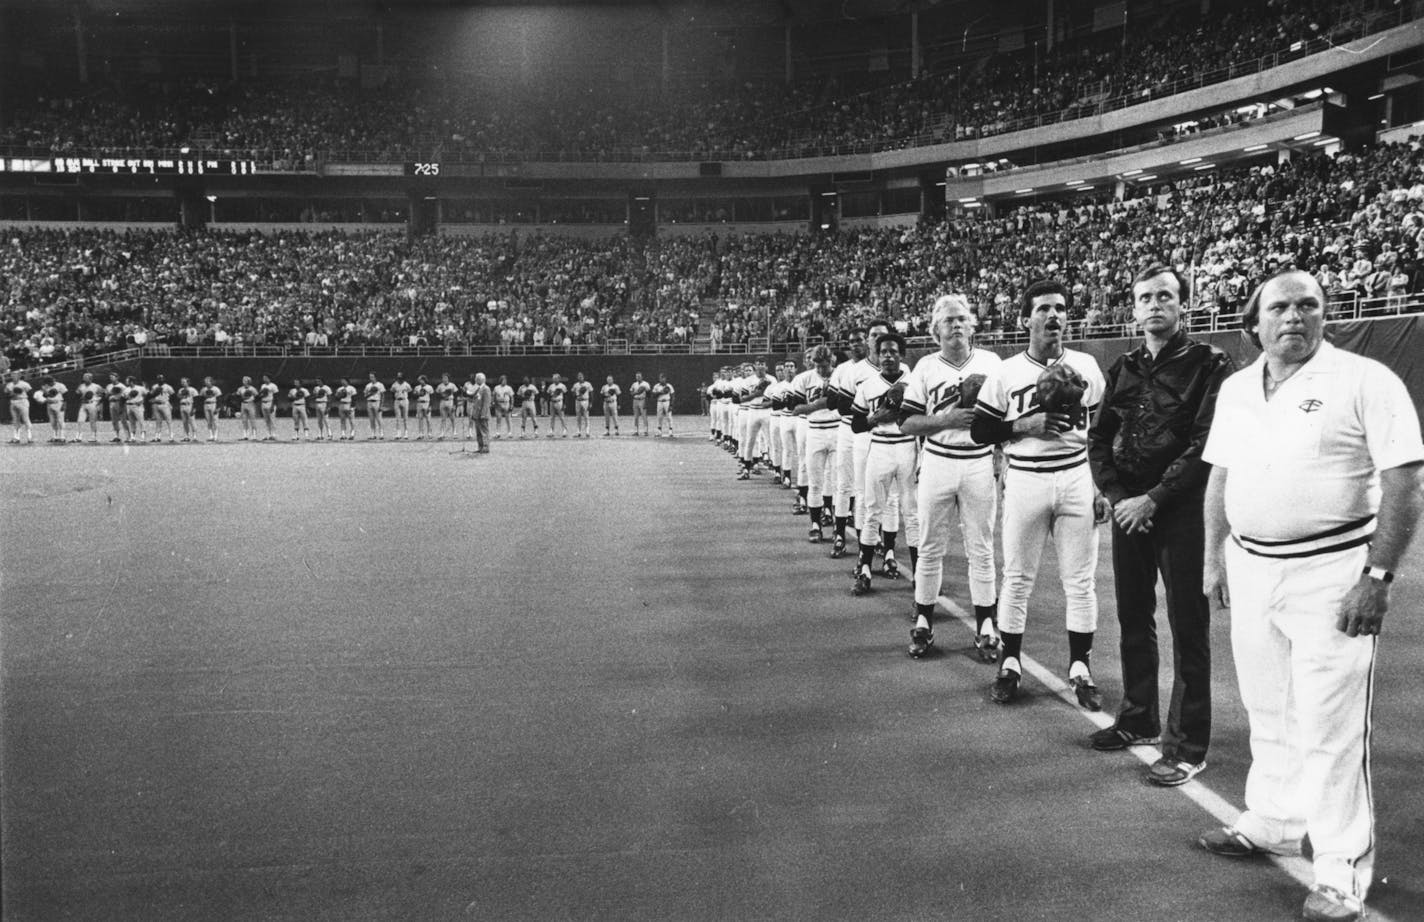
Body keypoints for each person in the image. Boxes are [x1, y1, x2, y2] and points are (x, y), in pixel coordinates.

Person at [1196, 270, 1424, 922]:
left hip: (1332, 572)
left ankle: (1340, 872)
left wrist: (1377, 579)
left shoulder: (1364, 380)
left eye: (1308, 305)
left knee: (1330, 726)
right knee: (1267, 707)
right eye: (1280, 307)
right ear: (1254, 322)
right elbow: (1222, 477)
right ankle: (1272, 818)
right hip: (1253, 567)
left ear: (1326, 315)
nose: (1294, 316)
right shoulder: (1239, 388)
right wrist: (1214, 557)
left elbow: (1404, 481)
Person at [1088, 266, 1235, 785]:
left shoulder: (1210, 363)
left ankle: (1188, 745)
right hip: (1130, 511)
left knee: (1188, 627)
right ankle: (1138, 718)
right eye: (1145, 297)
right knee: (1133, 615)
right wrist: (1117, 496)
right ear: (1133, 308)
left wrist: (1153, 498)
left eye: (1165, 297)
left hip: (1183, 514)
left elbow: (1206, 444)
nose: (1155, 305)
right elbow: (1099, 439)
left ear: (1183, 305)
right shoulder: (1123, 366)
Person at [971, 279, 1109, 709]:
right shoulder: (1006, 372)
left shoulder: (1087, 365)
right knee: (1016, 578)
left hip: (1075, 476)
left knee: (1080, 582)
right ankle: (1010, 663)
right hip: (1027, 475)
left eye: (1061, 308)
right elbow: (980, 431)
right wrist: (1021, 426)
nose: (1054, 316)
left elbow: (1102, 429)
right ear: (1025, 318)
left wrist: (1102, 485)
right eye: (1044, 309)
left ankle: (1080, 667)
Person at [900, 294, 1004, 660]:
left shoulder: (992, 363)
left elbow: (1005, 418)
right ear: (935, 331)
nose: (956, 325)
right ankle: (924, 620)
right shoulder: (927, 367)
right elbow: (907, 422)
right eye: (948, 321)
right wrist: (946, 419)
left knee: (982, 547)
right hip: (938, 460)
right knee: (930, 545)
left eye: (962, 319)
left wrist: (1001, 456)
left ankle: (987, 624)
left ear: (972, 325)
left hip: (978, 461)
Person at [850, 332, 919, 597]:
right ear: (876, 356)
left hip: (908, 447)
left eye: (893, 351)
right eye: (883, 352)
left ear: (901, 354)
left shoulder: (914, 383)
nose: (888, 356)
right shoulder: (867, 385)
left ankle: (919, 573)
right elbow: (857, 425)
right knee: (872, 510)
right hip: (879, 447)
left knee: (912, 512)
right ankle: (865, 567)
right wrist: (875, 418)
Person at [829, 321, 893, 558]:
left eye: (882, 336)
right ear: (868, 339)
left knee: (882, 491)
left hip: (885, 434)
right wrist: (872, 412)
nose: (877, 339)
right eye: (873, 335)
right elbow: (839, 405)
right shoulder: (850, 370)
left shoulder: (899, 368)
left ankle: (876, 539)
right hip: (852, 430)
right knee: (849, 485)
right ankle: (840, 533)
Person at [791, 345, 840, 542]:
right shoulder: (805, 378)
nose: (820, 370)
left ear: (832, 361)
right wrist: (820, 403)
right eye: (817, 366)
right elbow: (796, 408)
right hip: (815, 430)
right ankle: (815, 524)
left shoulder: (841, 375)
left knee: (838, 480)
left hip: (837, 428)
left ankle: (838, 523)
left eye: (824, 365)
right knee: (815, 480)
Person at [75, 372, 104, 443]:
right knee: (80, 420)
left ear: (90, 378)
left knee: (92, 421)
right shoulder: (81, 386)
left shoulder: (96, 386)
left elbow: (102, 395)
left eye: (86, 377)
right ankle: (79, 437)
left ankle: (93, 437)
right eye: (84, 377)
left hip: (92, 404)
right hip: (83, 404)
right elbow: (77, 394)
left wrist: (98, 404)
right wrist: (78, 393)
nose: (84, 378)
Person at [470, 372, 493, 453]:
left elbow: (486, 403)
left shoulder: (486, 389)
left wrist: (483, 414)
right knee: (478, 432)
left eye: (477, 378)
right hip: (477, 414)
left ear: (481, 379)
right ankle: (480, 447)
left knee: (484, 431)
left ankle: (486, 447)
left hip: (482, 414)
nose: (475, 379)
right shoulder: (478, 388)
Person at [149, 375, 175, 443]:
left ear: (164, 379)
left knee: (169, 421)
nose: (160, 379)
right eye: (159, 378)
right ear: (157, 379)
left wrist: (171, 404)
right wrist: (155, 392)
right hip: (156, 404)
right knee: (158, 421)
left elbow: (173, 395)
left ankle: (171, 437)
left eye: (162, 378)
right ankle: (157, 437)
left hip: (165, 404)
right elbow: (151, 395)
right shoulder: (154, 386)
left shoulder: (168, 386)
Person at [106, 372, 129, 443]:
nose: (111, 378)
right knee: (114, 421)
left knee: (123, 420)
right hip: (112, 404)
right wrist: (109, 394)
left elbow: (126, 396)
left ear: (117, 377)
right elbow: (106, 396)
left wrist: (119, 399)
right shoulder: (109, 386)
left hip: (120, 403)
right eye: (110, 377)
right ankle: (116, 436)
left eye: (113, 377)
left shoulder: (122, 386)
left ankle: (128, 437)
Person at [123, 376, 147, 442]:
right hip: (129, 406)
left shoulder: (140, 388)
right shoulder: (126, 389)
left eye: (127, 380)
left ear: (131, 381)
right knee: (131, 422)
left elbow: (146, 395)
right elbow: (124, 398)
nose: (126, 382)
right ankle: (133, 437)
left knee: (141, 421)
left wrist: (142, 401)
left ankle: (143, 437)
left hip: (137, 406)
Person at [176, 378, 200, 442]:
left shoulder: (192, 389)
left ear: (188, 383)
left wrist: (194, 408)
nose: (182, 383)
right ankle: (186, 436)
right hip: (182, 405)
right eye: (182, 382)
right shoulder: (180, 390)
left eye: (184, 382)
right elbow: (178, 397)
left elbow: (196, 399)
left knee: (192, 421)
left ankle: (195, 436)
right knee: (184, 422)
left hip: (189, 405)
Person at [235, 376, 259, 440]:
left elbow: (257, 396)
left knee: (252, 419)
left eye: (245, 381)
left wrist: (253, 400)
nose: (244, 382)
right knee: (244, 420)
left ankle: (254, 435)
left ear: (249, 381)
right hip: (243, 404)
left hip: (250, 404)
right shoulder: (240, 389)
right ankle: (245, 435)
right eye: (243, 380)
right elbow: (237, 396)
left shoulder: (252, 389)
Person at [200, 376, 223, 442]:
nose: (206, 382)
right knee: (208, 420)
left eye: (208, 381)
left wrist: (218, 407)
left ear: (211, 382)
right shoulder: (203, 389)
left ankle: (216, 436)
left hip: (213, 404)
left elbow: (219, 399)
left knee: (215, 420)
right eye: (205, 381)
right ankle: (211, 435)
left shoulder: (216, 389)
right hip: (206, 404)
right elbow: (201, 398)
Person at [363, 372, 386, 440]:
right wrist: (371, 393)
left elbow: (382, 395)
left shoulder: (380, 385)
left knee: (379, 419)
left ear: (375, 377)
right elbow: (365, 395)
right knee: (371, 419)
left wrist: (381, 405)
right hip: (369, 402)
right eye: (370, 377)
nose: (371, 378)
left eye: (372, 377)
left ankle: (381, 434)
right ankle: (373, 434)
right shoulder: (368, 385)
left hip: (377, 402)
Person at [390, 372, 412, 440]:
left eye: (400, 377)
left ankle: (406, 432)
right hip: (397, 400)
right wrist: (395, 399)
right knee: (398, 418)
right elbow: (392, 391)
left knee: (405, 417)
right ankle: (398, 433)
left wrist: (407, 398)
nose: (399, 379)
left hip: (404, 400)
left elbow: (410, 391)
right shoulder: (395, 384)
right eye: (398, 377)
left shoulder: (406, 384)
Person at [437, 373, 459, 439]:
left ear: (448, 378)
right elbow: (437, 394)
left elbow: (456, 395)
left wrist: (455, 404)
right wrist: (441, 395)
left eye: (446, 378)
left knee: (452, 417)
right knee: (443, 418)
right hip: (443, 401)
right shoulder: (440, 386)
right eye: (443, 378)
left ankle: (454, 431)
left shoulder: (452, 385)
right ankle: (442, 433)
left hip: (450, 401)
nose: (444, 379)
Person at [653, 373, 675, 437]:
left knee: (669, 417)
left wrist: (671, 405)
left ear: (665, 379)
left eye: (663, 378)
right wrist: (660, 392)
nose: (662, 379)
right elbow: (653, 395)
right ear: (659, 379)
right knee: (659, 417)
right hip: (659, 402)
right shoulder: (656, 386)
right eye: (660, 378)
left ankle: (670, 431)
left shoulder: (669, 386)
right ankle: (659, 431)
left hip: (667, 402)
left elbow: (673, 396)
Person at [572, 372, 594, 438]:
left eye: (581, 376)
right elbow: (573, 394)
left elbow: (591, 394)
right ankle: (578, 431)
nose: (580, 377)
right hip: (578, 401)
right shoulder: (575, 385)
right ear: (577, 377)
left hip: (585, 401)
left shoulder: (588, 384)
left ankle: (587, 431)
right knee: (578, 417)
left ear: (583, 377)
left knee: (586, 416)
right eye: (579, 376)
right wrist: (577, 394)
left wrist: (590, 403)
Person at [413, 375, 434, 439]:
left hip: (426, 403)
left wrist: (430, 406)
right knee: (420, 419)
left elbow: (432, 397)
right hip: (419, 403)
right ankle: (420, 434)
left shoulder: (429, 387)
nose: (420, 381)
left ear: (424, 380)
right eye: (419, 380)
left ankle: (429, 433)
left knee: (428, 419)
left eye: (421, 380)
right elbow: (414, 396)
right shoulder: (417, 387)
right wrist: (416, 394)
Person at [258, 374, 279, 441]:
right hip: (263, 402)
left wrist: (273, 405)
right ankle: (267, 434)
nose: (264, 379)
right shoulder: (263, 386)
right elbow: (260, 395)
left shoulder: (273, 386)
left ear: (269, 378)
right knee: (266, 420)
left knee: (272, 419)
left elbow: (276, 396)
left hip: (270, 402)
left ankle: (273, 434)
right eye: (263, 378)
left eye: (265, 378)